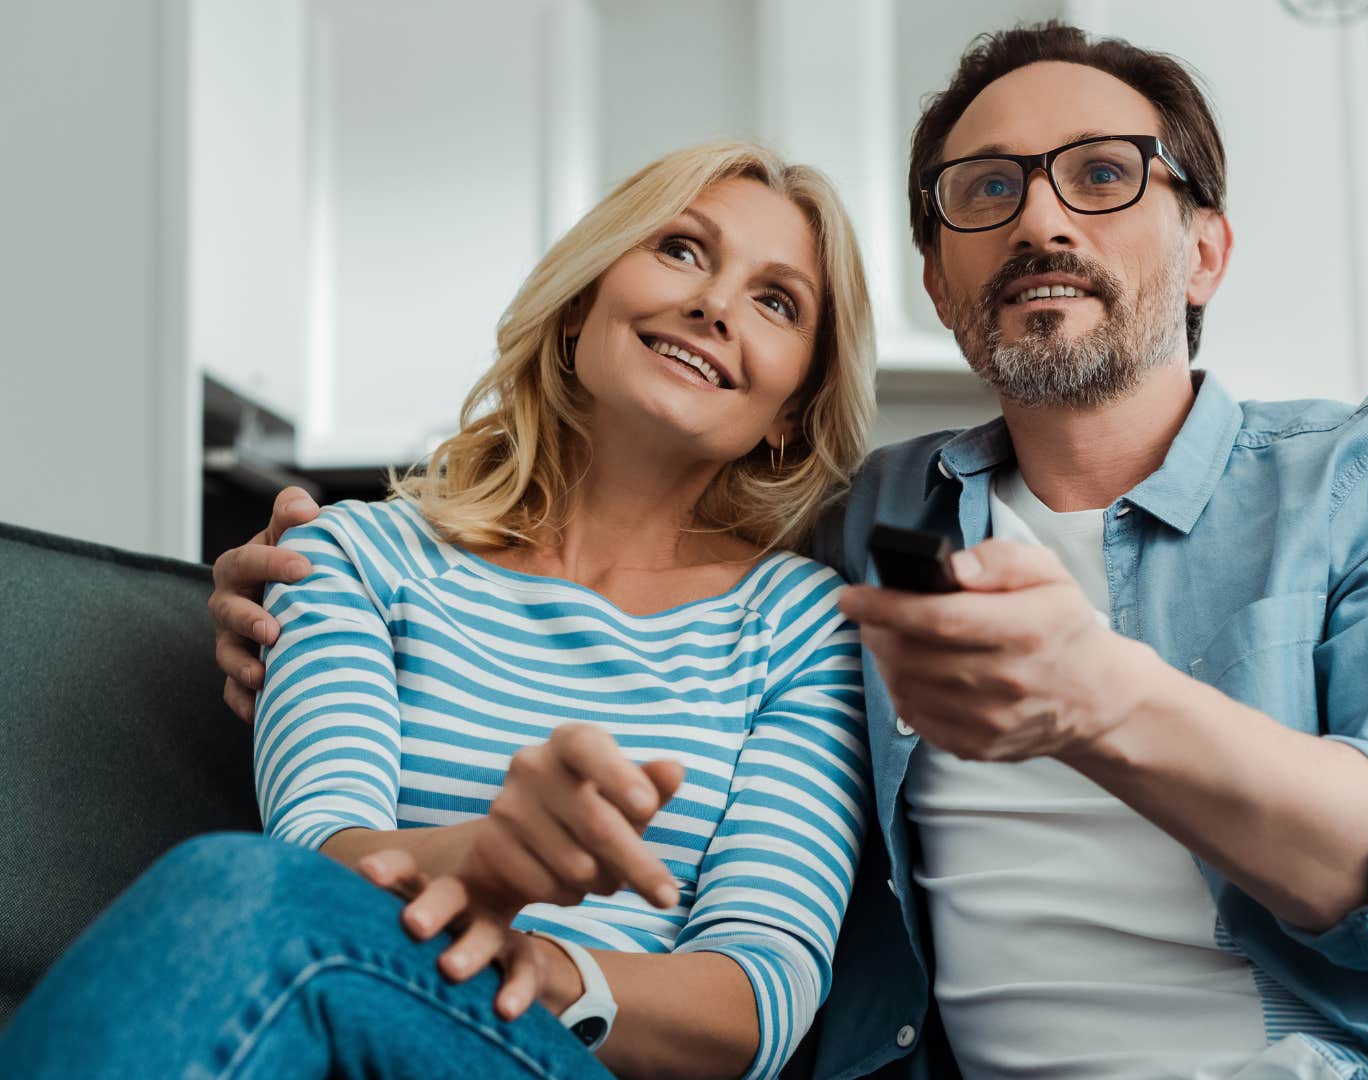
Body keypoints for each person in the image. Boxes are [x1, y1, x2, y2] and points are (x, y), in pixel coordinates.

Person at [204, 22, 1368, 1080]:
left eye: (1104, 172)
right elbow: (624, 525)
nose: (1041, 217)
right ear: (942, 281)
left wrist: (1104, 699)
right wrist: (288, 567)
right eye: (985, 189)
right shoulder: (860, 536)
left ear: (1205, 247)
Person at [1, 140, 877, 1080]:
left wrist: (544, 968)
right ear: (583, 299)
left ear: (794, 408)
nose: (715, 304)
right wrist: (486, 860)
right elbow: (312, 862)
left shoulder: (806, 628)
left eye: (775, 301)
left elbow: (759, 998)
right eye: (681, 250)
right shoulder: (351, 558)